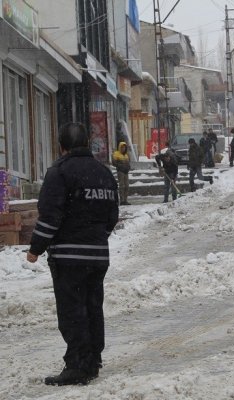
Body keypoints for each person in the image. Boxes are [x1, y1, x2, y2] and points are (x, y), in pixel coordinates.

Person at [26, 122, 119, 386]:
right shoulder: (104, 173)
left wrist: (35, 248)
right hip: (99, 255)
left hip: (69, 257)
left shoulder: (60, 172)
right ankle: (92, 359)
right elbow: (112, 215)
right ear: (87, 144)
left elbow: (50, 216)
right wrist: (96, 238)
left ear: (62, 146)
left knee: (72, 310)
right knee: (92, 307)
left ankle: (78, 364)